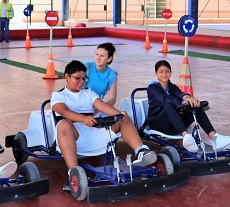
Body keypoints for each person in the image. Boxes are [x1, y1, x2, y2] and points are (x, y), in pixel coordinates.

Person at [52, 60, 157, 189]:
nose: (81, 81)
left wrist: (118, 113)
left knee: (123, 117)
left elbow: (101, 105)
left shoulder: (88, 92)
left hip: (95, 132)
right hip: (74, 137)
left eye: (84, 78)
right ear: (67, 76)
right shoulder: (58, 95)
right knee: (63, 124)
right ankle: (73, 173)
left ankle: (141, 151)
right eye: (77, 78)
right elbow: (64, 111)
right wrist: (83, 119)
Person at [146, 60, 230, 152]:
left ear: (171, 72)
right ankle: (186, 137)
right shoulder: (152, 88)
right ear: (156, 74)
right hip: (158, 124)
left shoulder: (172, 87)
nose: (164, 74)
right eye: (161, 72)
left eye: (167, 71)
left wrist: (188, 98)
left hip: (173, 125)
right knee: (169, 106)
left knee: (196, 106)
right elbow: (165, 99)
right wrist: (183, 102)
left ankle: (215, 138)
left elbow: (180, 94)